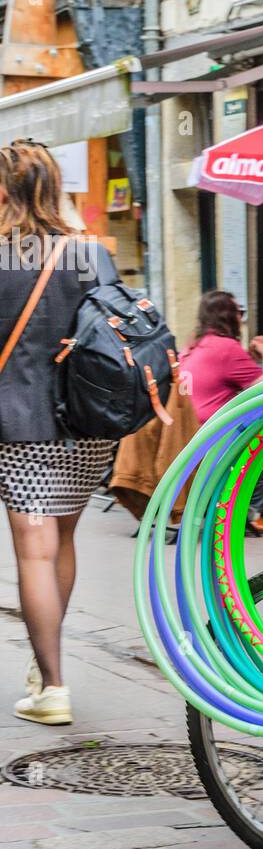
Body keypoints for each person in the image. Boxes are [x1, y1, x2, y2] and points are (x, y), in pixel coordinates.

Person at [0, 141, 118, 725]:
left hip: (23, 427)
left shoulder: (0, 256)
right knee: (63, 542)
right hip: (88, 426)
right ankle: (44, 662)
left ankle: (52, 685)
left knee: (34, 551)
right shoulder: (92, 255)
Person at [179, 290, 263, 532]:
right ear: (228, 316)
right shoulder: (226, 348)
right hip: (215, 434)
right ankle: (251, 512)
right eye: (239, 313)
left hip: (188, 431)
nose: (241, 319)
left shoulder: (192, 346)